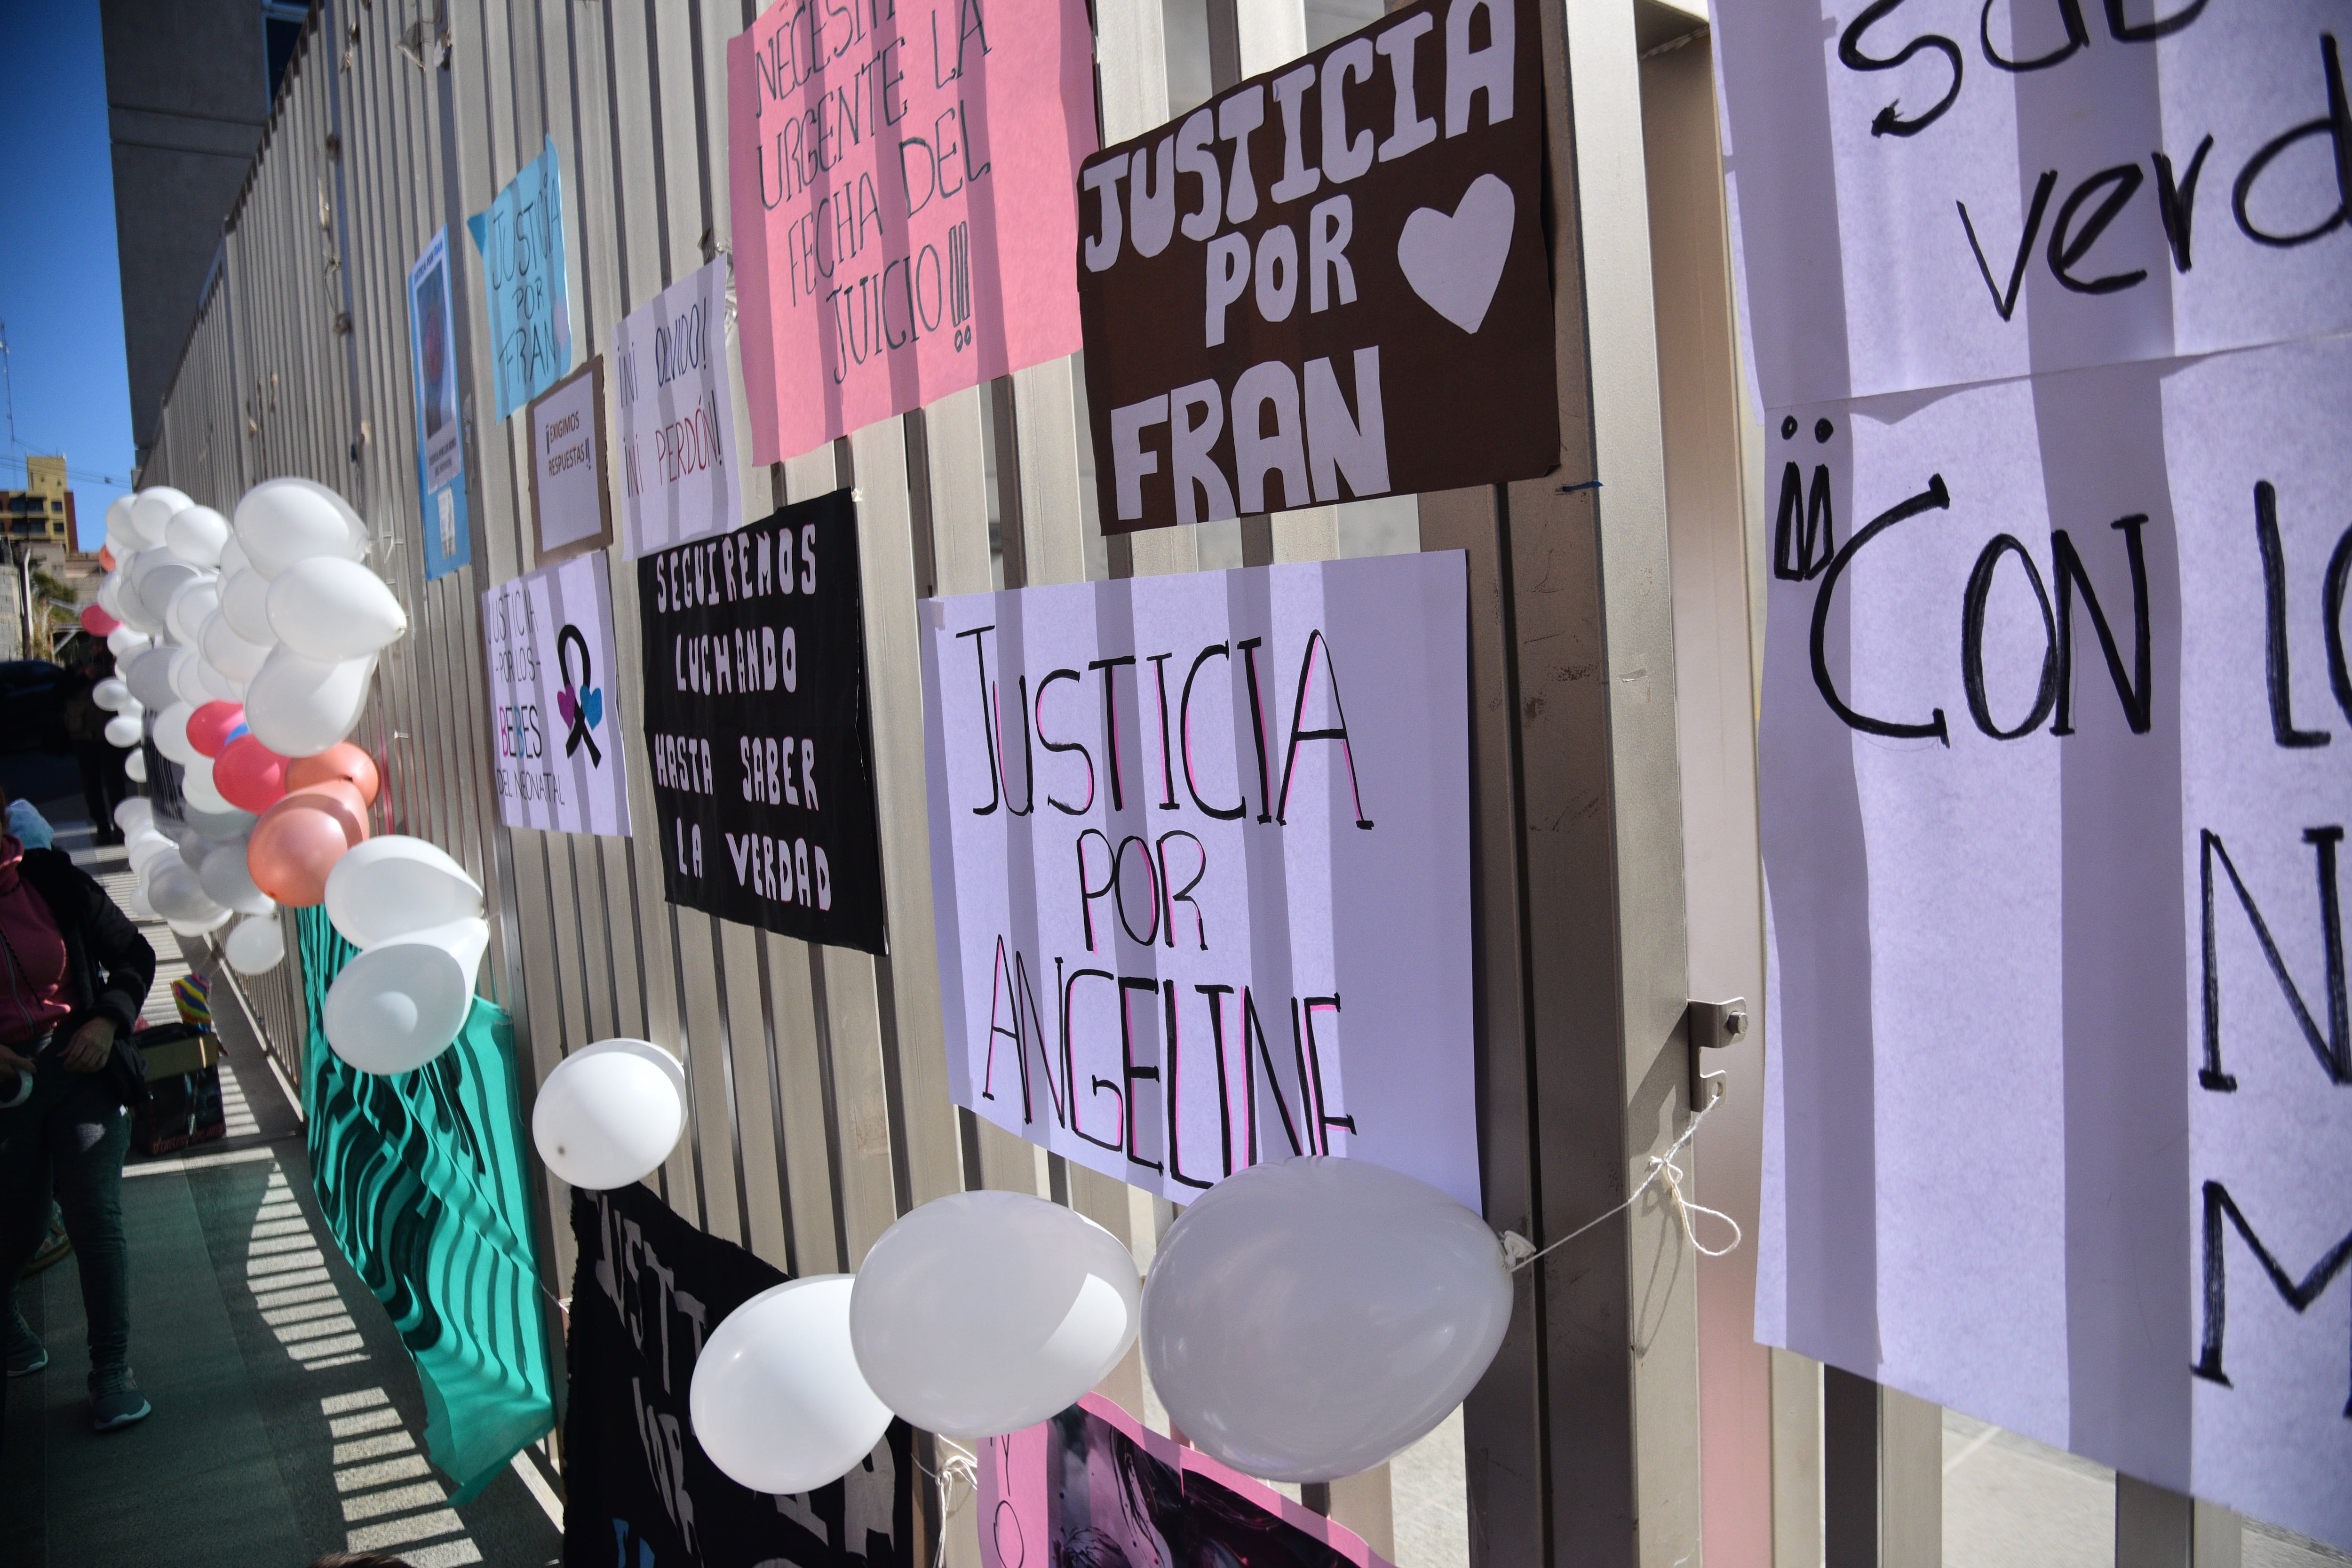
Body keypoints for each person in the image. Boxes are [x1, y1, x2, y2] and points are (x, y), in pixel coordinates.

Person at [0, 780, 156, 1432]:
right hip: (9, 1089)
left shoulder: (51, 879)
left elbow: (134, 954)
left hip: (79, 1063)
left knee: (95, 1215)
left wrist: (106, 1022)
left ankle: (112, 1371)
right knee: (20, 1224)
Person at [62, 649, 127, 845]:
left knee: (115, 782)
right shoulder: (76, 668)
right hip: (83, 735)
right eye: (94, 645)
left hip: (111, 734)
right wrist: (84, 677)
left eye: (101, 645)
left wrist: (110, 671)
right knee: (91, 785)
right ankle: (102, 827)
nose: (97, 650)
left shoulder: (117, 664)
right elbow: (59, 692)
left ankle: (120, 827)